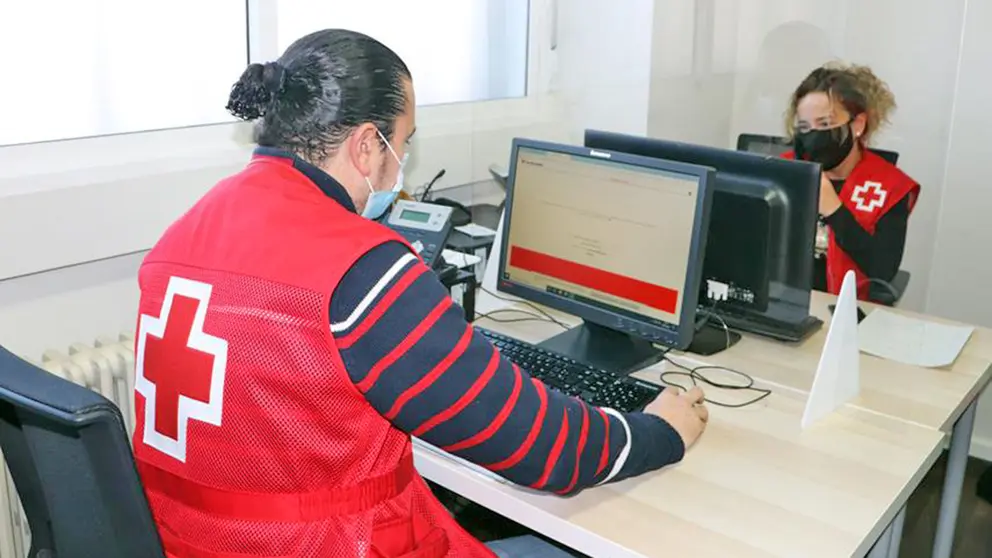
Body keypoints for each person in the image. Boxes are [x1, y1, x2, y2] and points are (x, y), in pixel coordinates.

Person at [130, 29, 709, 558]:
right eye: (401, 142)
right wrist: (659, 432)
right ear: (366, 145)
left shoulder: (183, 233)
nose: (400, 163)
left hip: (193, 542)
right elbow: (539, 447)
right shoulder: (360, 269)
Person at [782, 62, 920, 300]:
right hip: (781, 299)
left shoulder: (891, 187)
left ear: (857, 125)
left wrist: (834, 210)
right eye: (805, 127)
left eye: (825, 124)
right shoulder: (785, 170)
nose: (814, 135)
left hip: (845, 307)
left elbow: (883, 270)